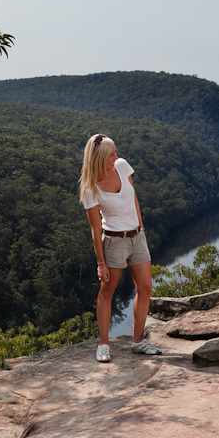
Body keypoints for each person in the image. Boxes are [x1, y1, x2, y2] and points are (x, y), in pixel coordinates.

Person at [80, 134, 161, 363]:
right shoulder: (91, 188)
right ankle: (104, 344)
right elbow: (96, 230)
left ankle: (138, 341)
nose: (116, 157)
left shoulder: (123, 166)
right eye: (111, 155)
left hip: (137, 237)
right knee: (108, 292)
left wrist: (142, 227)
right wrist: (100, 263)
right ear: (99, 158)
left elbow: (133, 198)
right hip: (114, 242)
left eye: (115, 152)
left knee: (145, 288)